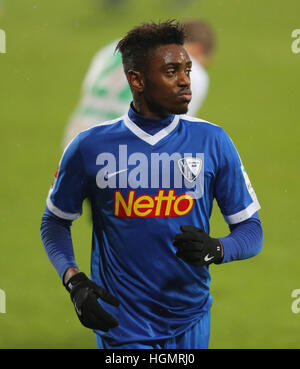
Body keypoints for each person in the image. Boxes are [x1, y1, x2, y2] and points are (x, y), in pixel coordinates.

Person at [40, 20, 263, 349]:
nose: (186, 80)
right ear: (137, 80)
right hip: (123, 325)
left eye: (187, 68)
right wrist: (73, 279)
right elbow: (55, 221)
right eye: (172, 71)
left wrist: (218, 249)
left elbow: (251, 231)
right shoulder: (89, 147)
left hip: (193, 319)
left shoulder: (213, 141)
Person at [62, 19, 215, 148]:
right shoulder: (192, 71)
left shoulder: (114, 47)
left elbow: (89, 86)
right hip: (125, 141)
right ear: (197, 49)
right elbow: (174, 125)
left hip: (80, 132)